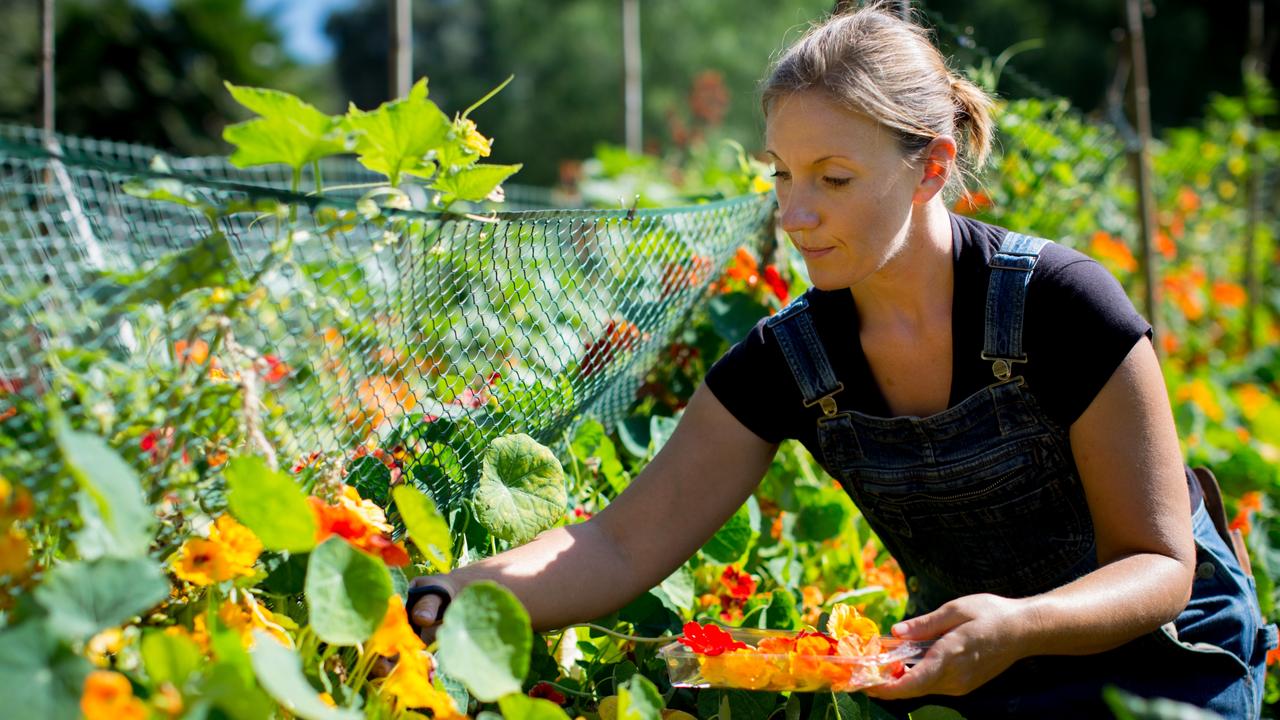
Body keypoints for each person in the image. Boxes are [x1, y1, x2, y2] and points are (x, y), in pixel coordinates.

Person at [406, 4, 1275, 717]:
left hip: (1163, 662)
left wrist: (1018, 625)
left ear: (931, 167)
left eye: (834, 178)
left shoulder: (1061, 304)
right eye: (783, 174)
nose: (795, 213)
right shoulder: (792, 358)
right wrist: (442, 596)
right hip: (966, 664)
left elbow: (1160, 566)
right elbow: (618, 545)